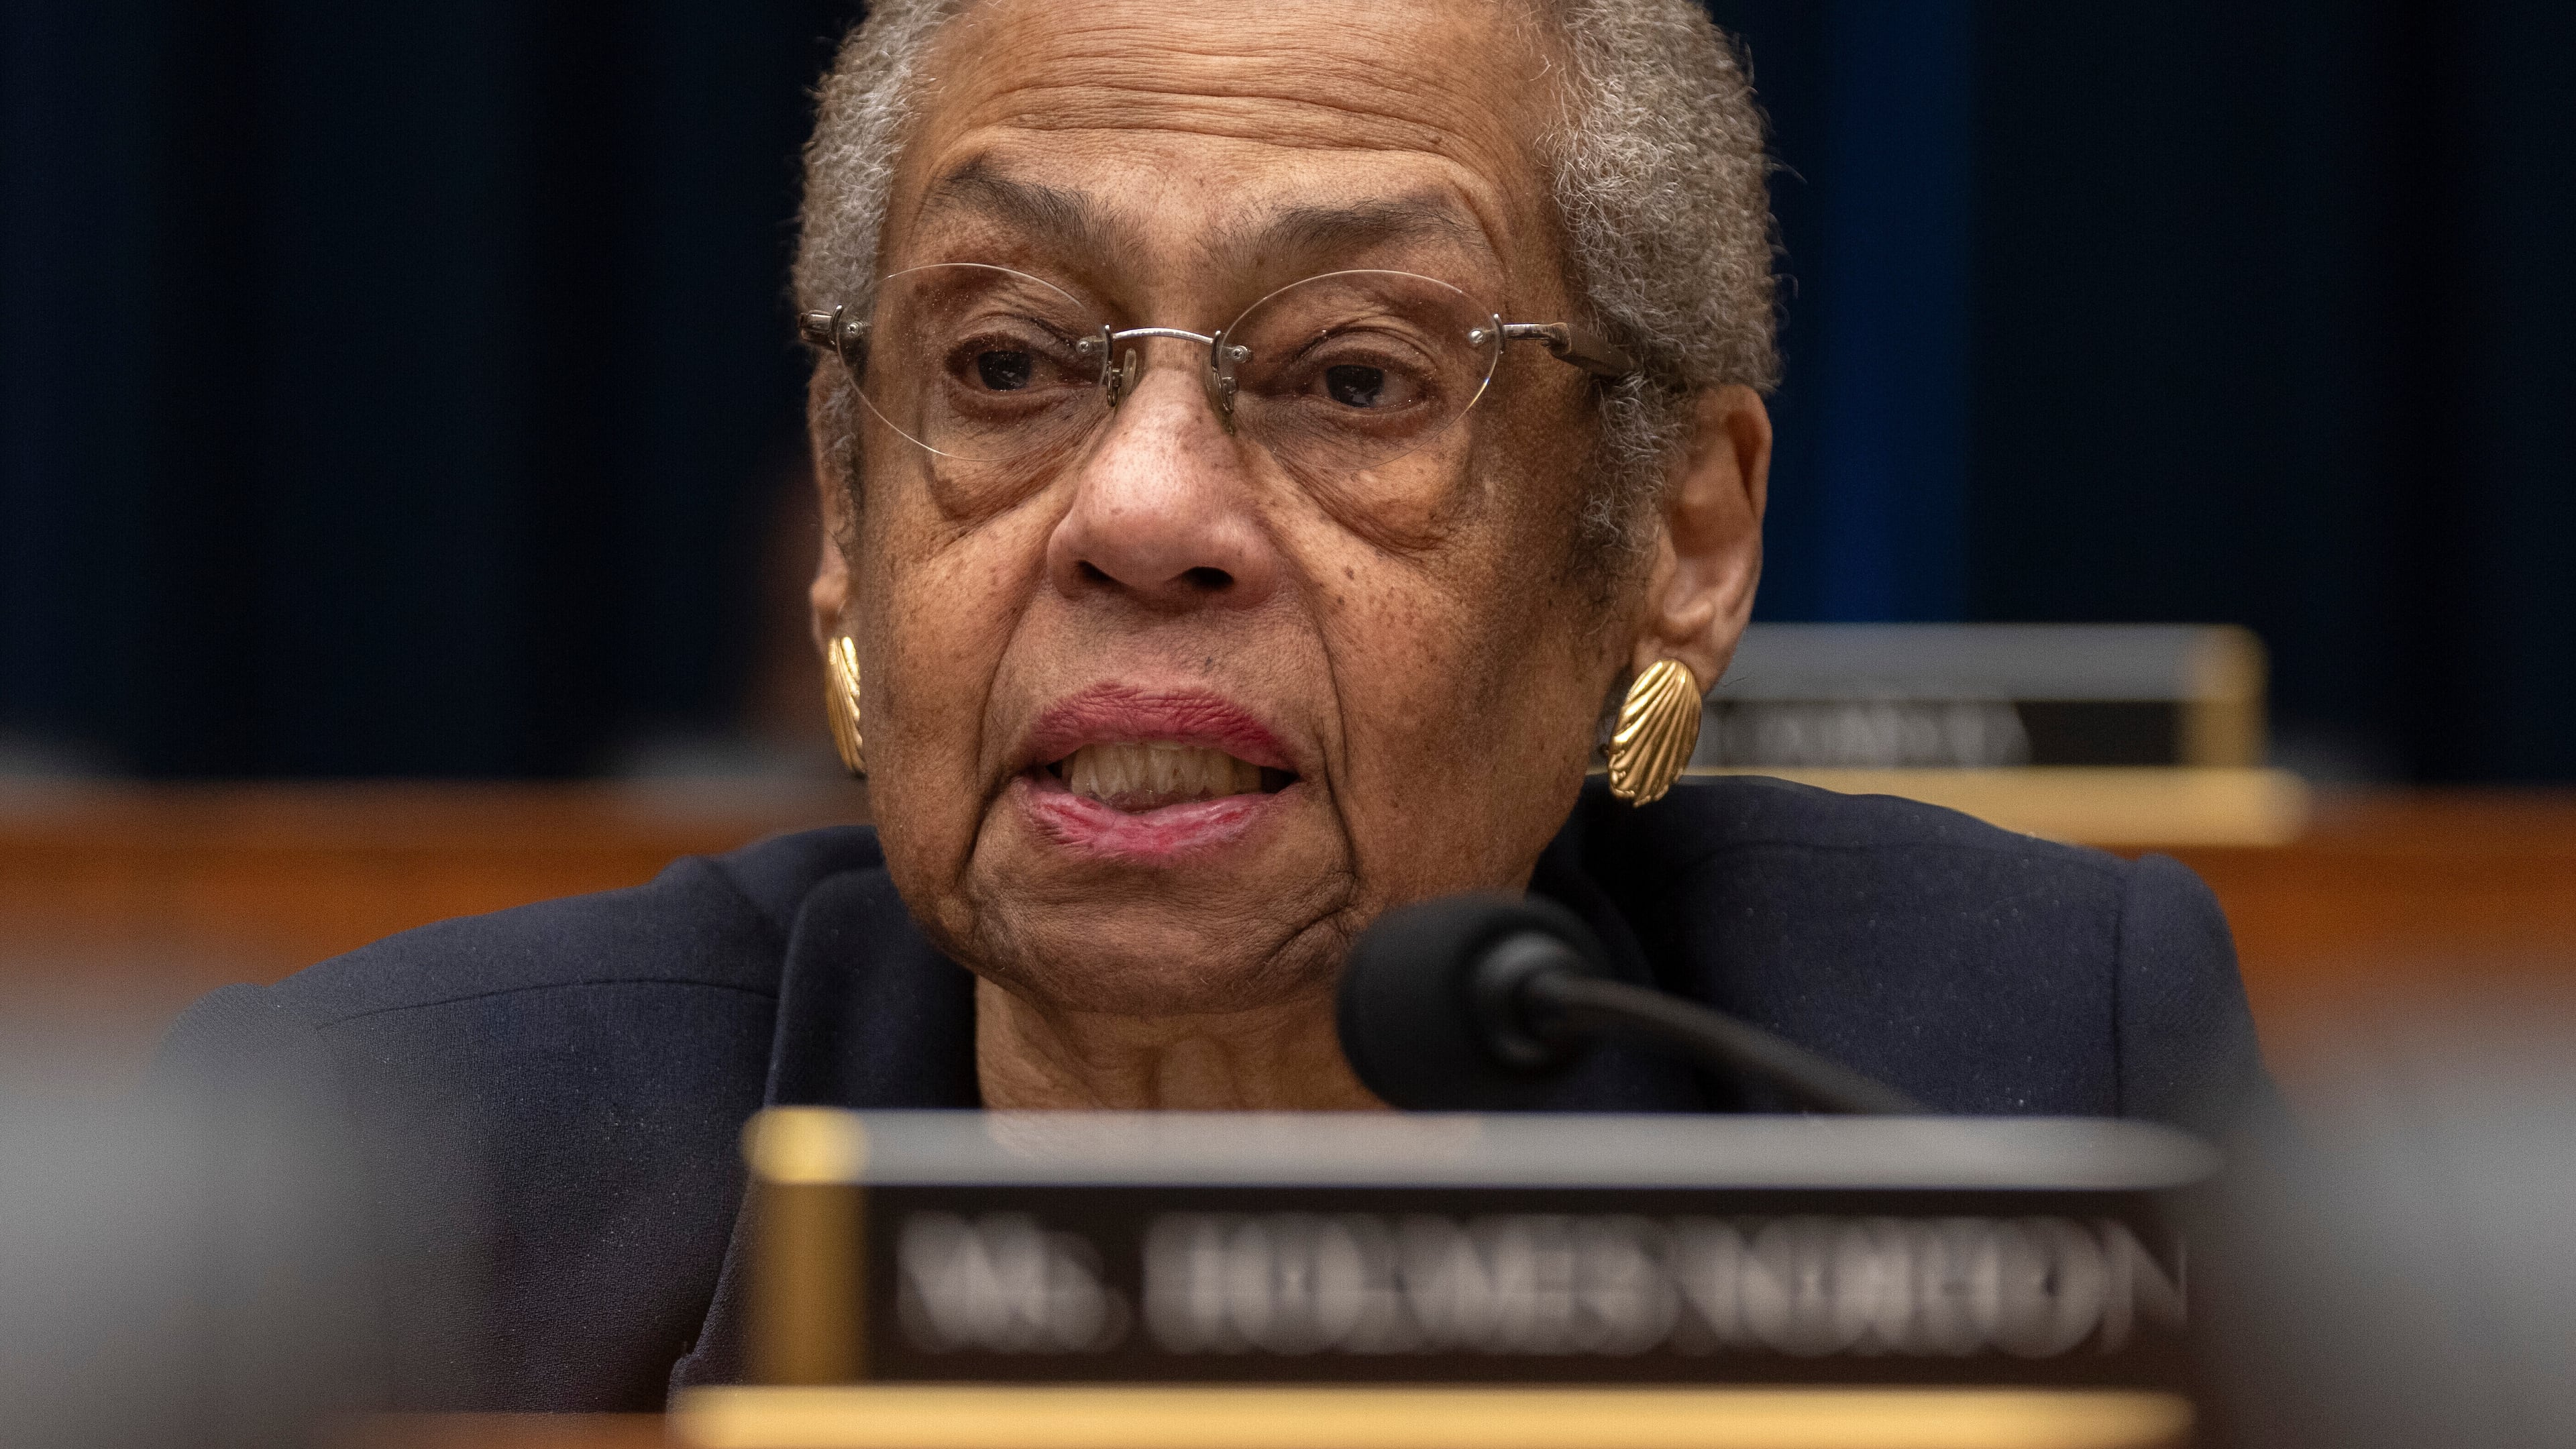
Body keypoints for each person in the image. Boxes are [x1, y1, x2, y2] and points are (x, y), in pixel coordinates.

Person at [157, 0, 2268, 1411]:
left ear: (1678, 541)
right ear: (844, 500)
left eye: (1355, 375)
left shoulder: (2010, 1077)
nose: (1145, 511)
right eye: (1006, 364)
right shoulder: (396, 1199)